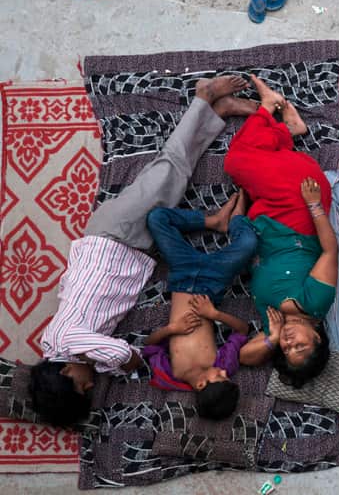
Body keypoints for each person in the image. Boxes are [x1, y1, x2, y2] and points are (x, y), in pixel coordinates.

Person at [31, 76, 258, 428]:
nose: (91, 386)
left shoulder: (64, 341)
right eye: (88, 392)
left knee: (171, 168)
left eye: (81, 387)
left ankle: (204, 98)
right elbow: (126, 357)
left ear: (63, 372)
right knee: (176, 177)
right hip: (131, 249)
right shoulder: (73, 350)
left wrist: (126, 362)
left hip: (114, 238)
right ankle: (218, 114)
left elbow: (125, 355)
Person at [224, 76, 338, 388]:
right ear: (317, 337)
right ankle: (267, 107)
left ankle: (289, 131)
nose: (289, 343)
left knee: (258, 165)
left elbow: (243, 357)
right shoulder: (315, 302)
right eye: (299, 346)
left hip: (266, 215)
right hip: (299, 208)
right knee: (236, 162)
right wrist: (313, 204)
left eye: (287, 350)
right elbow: (331, 250)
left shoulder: (273, 324)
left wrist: (271, 339)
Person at [141, 190, 256, 420]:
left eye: (220, 377)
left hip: (181, 273)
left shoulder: (172, 373)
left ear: (202, 384)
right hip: (212, 281)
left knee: (156, 218)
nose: (224, 372)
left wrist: (172, 329)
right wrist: (213, 314)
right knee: (249, 243)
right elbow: (243, 330)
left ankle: (212, 221)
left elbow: (148, 347)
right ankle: (233, 220)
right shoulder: (224, 363)